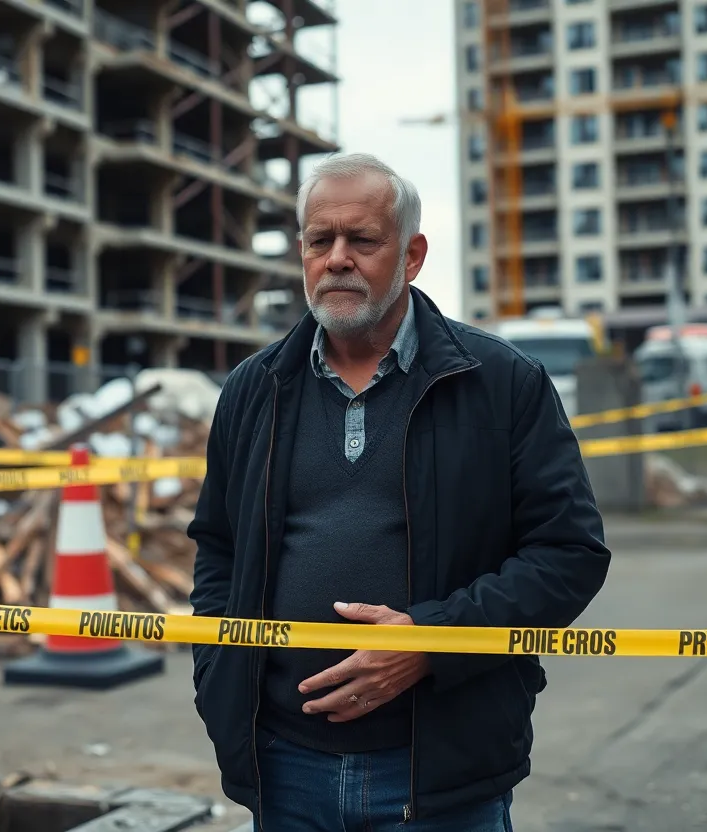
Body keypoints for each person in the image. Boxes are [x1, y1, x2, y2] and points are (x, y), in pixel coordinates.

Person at [187, 153, 610, 831]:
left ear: (411, 255)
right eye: (320, 241)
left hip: (440, 773)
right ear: (301, 252)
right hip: (283, 770)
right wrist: (220, 679)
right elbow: (218, 550)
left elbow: (568, 555)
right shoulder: (252, 390)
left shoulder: (500, 383)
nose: (338, 260)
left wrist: (433, 641)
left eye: (363, 240)